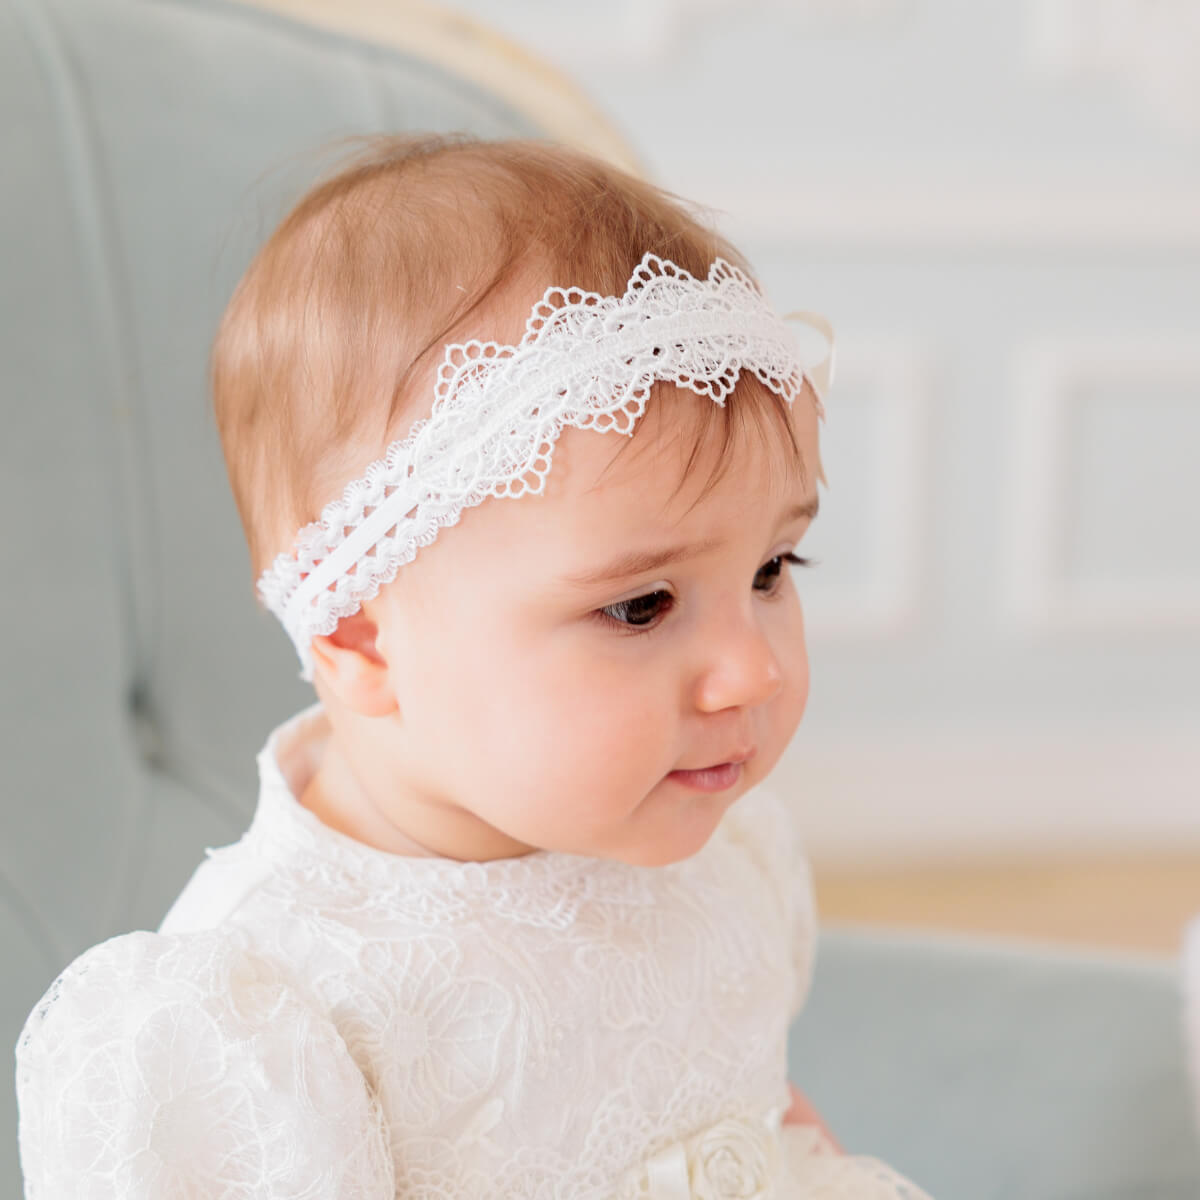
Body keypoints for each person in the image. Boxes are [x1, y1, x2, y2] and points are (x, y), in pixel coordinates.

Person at [14, 134, 932, 1198]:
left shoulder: (704, 847)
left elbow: (756, 1118)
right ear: (362, 638)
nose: (752, 672)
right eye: (641, 605)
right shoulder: (272, 1009)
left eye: (774, 567)